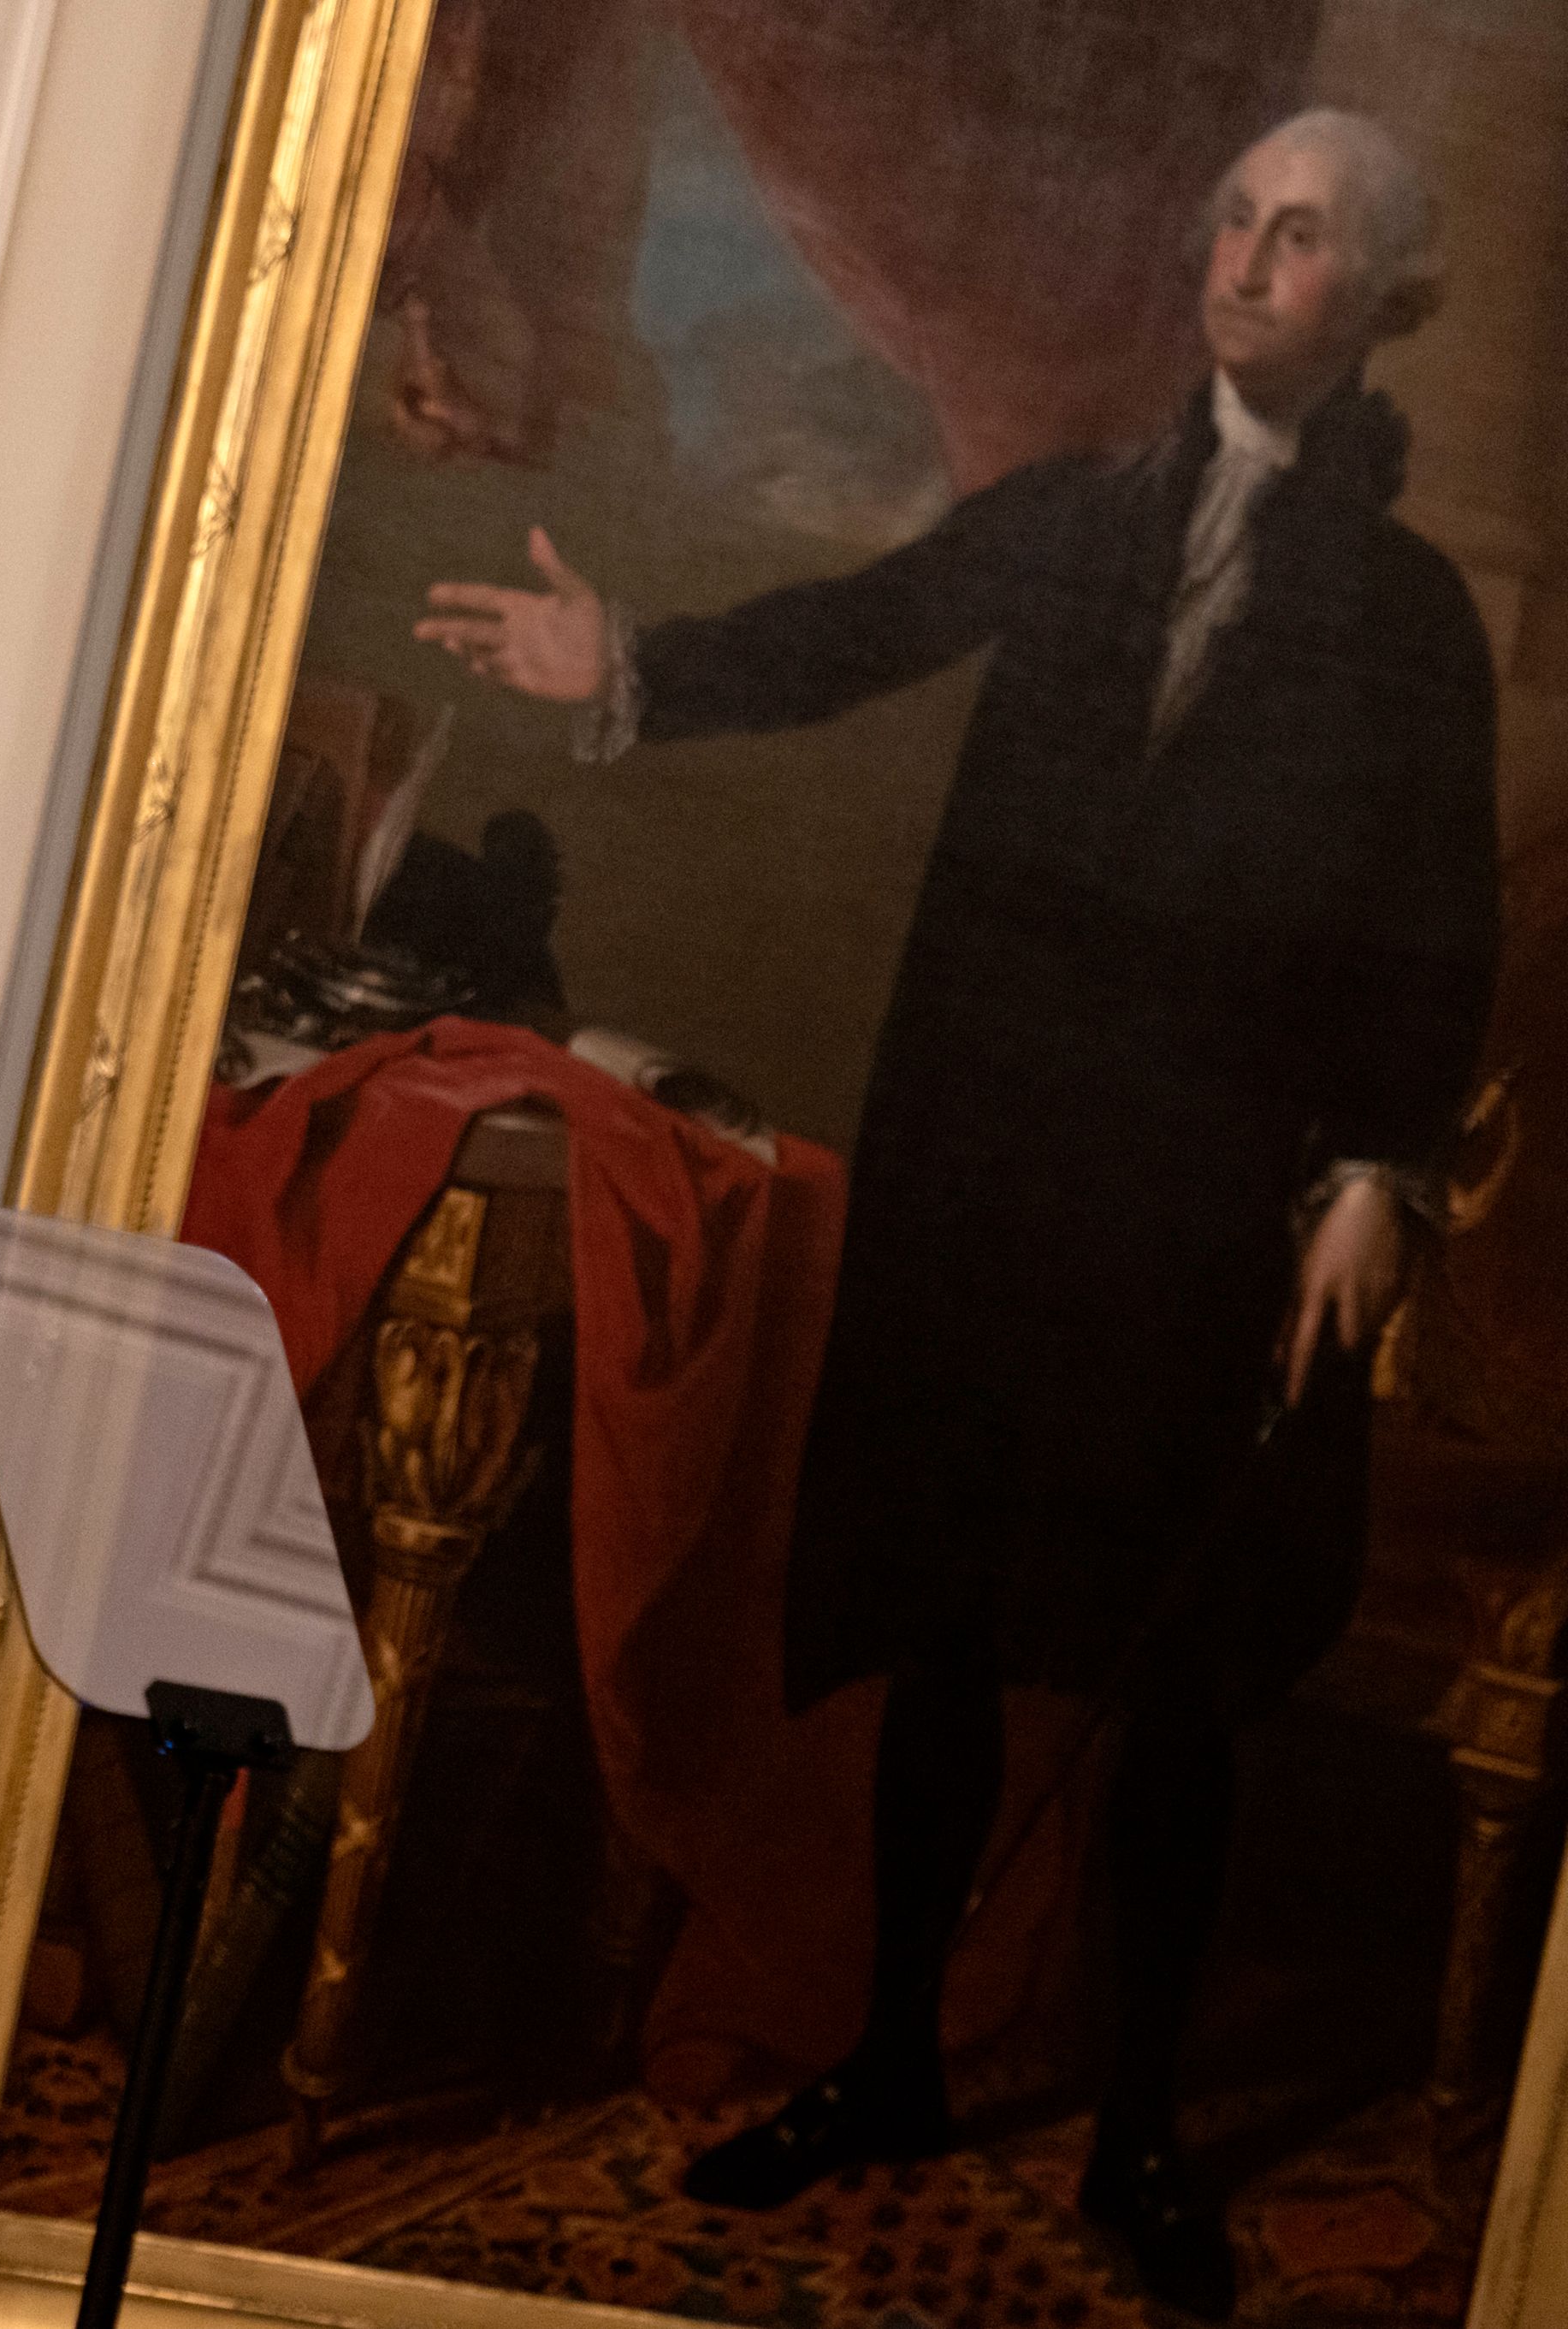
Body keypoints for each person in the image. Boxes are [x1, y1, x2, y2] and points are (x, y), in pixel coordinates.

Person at [414, 110, 1497, 2316]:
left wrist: (1371, 1176)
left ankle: (1140, 2131)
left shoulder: (1402, 617)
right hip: (998, 1162)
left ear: (1377, 299)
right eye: (1232, 220)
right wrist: (619, 659)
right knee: (943, 1622)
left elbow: (1430, 926)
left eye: (1301, 241)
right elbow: (854, 629)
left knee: (1175, 1674)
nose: (1243, 261)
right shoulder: (1083, 517)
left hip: (1210, 1208)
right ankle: (898, 2053)